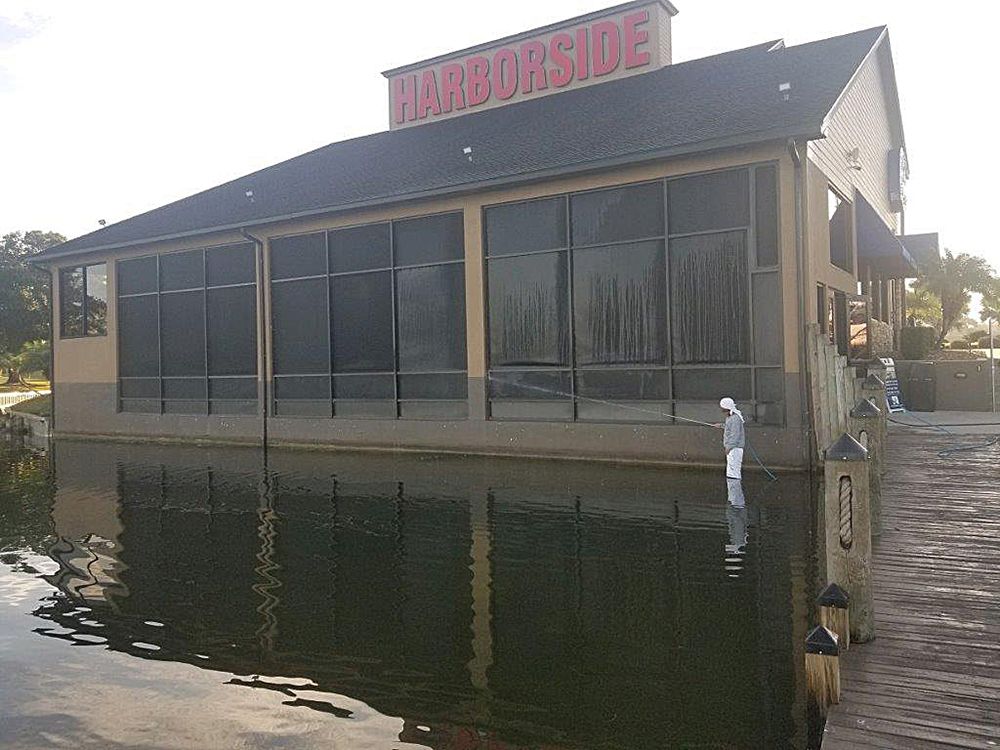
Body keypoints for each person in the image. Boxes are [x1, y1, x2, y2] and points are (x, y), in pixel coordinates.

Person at [718, 397, 746, 507]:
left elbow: (735, 435)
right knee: (731, 472)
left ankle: (736, 503)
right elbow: (730, 428)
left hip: (735, 449)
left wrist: (728, 447)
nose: (721, 410)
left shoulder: (735, 419)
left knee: (733, 473)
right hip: (733, 448)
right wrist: (721, 426)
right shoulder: (731, 418)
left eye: (722, 407)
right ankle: (734, 500)